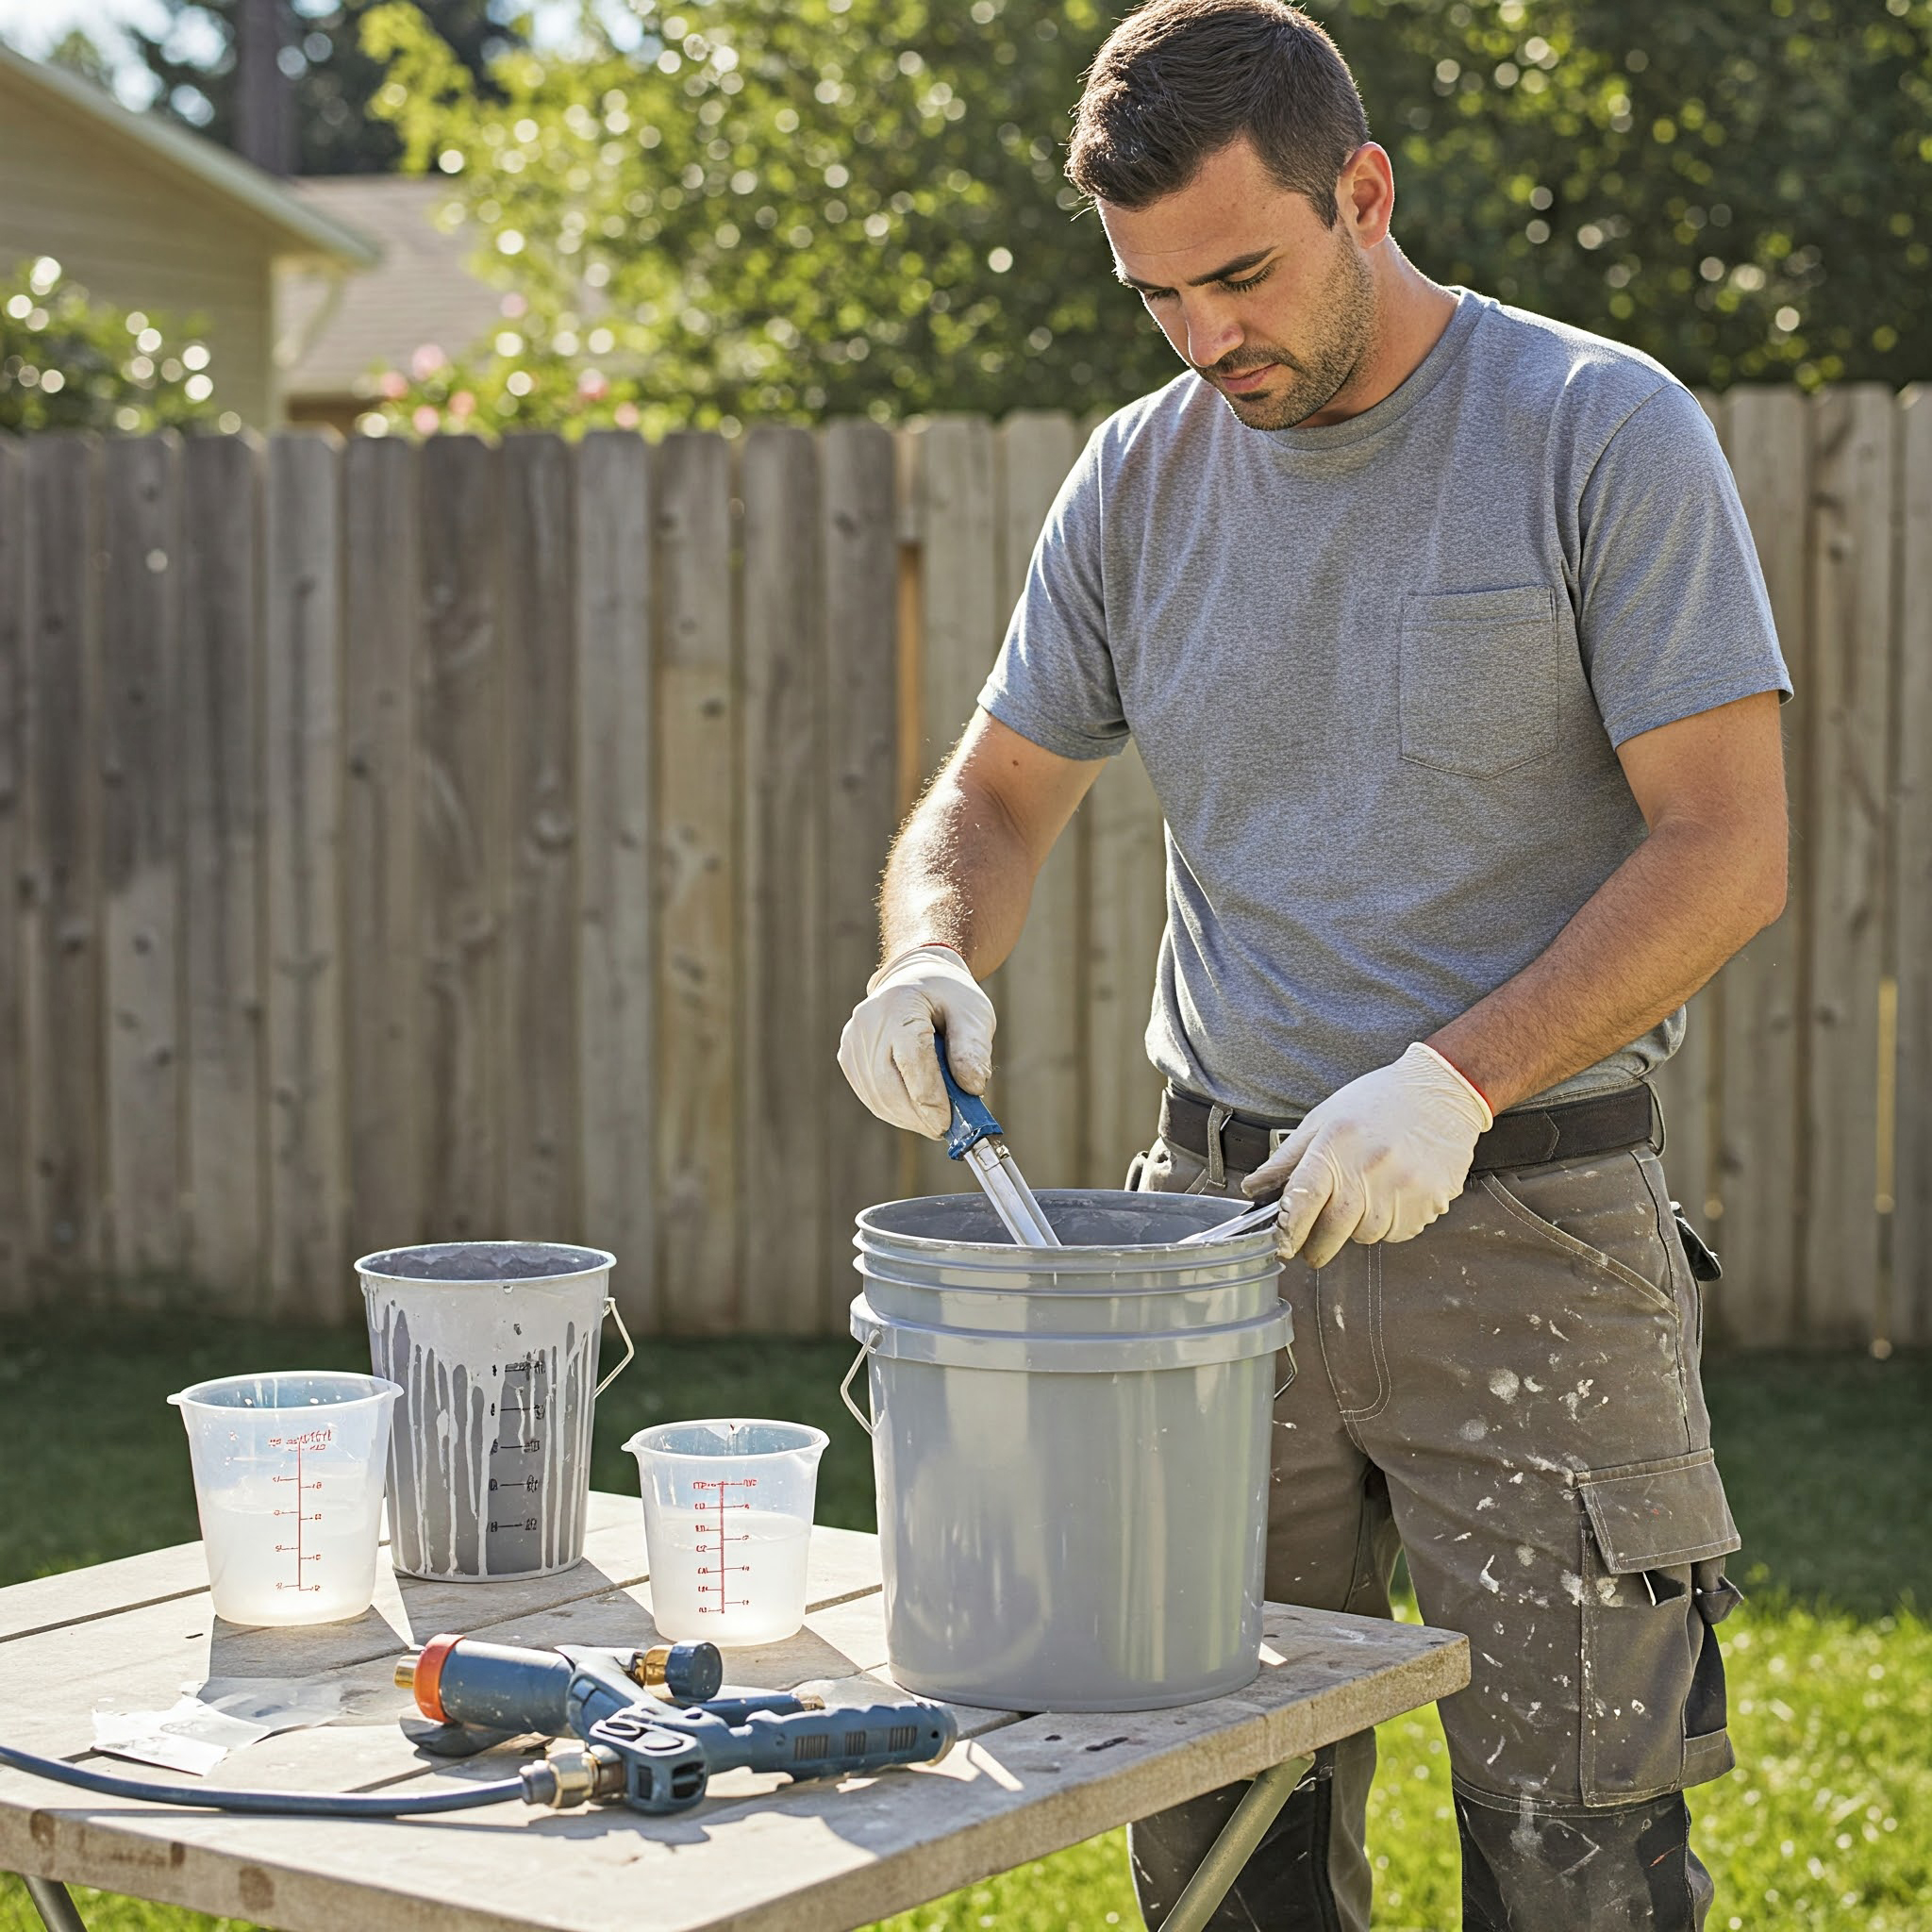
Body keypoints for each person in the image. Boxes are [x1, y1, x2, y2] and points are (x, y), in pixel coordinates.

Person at [836, 1, 1791, 1924]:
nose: (1206, 339)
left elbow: (1729, 846)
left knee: (1578, 1854)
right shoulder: (1137, 477)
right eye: (1157, 297)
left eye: (1242, 276)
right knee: (1216, 1850)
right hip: (1207, 1250)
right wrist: (926, 954)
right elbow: (996, 794)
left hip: (1529, 1232)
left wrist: (1454, 1080)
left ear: (1362, 191)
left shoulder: (1593, 428)